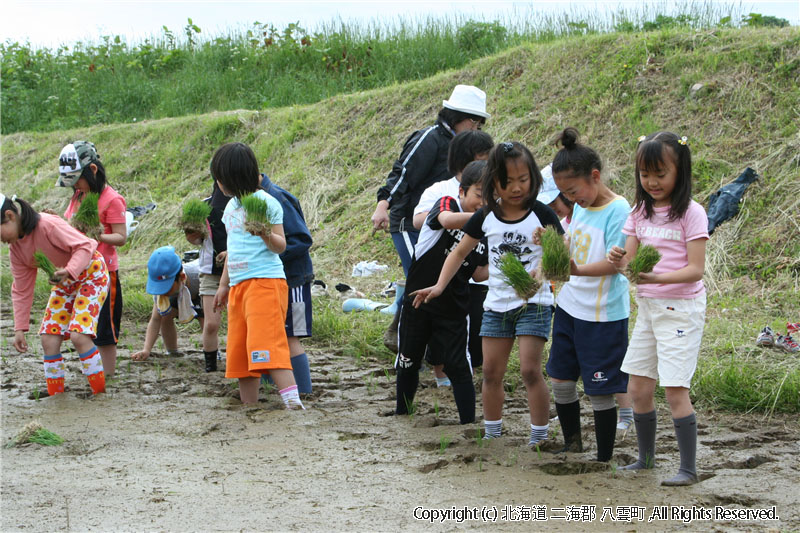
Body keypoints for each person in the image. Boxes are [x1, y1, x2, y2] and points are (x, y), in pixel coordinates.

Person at [413, 142, 563, 446]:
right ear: (494, 182)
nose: (517, 188)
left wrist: (542, 268)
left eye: (524, 180)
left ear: (534, 178)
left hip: (534, 303)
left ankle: (539, 436)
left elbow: (561, 262)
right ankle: (492, 431)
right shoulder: (486, 216)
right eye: (507, 182)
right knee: (491, 371)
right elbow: (458, 253)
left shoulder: (542, 213)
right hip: (497, 305)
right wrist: (440, 286)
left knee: (530, 370)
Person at [608, 132, 708, 486]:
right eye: (644, 174)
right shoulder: (639, 212)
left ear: (680, 171)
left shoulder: (691, 214)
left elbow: (696, 269)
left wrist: (655, 276)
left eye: (660, 174)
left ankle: (688, 469)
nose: (651, 182)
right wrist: (619, 259)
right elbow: (631, 267)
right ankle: (646, 459)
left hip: (681, 308)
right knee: (638, 388)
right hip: (649, 307)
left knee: (675, 389)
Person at [371, 85, 490, 354]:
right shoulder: (430, 139)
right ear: (458, 117)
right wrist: (383, 204)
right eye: (474, 122)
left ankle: (423, 342)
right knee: (423, 274)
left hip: (442, 225)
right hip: (410, 220)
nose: (476, 128)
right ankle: (404, 338)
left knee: (441, 277)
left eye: (480, 124)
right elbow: (403, 172)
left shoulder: (463, 148)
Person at [541, 128, 631, 462]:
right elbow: (572, 240)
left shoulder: (619, 211)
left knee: (600, 389)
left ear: (594, 176)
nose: (570, 198)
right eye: (564, 193)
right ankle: (572, 443)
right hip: (569, 307)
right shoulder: (581, 205)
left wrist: (573, 270)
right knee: (561, 378)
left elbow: (615, 265)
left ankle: (604, 456)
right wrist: (552, 244)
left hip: (602, 315)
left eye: (573, 190)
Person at [211, 142, 303, 409]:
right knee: (239, 352)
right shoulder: (230, 208)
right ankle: (249, 408)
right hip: (239, 287)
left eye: (221, 178)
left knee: (268, 347)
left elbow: (280, 246)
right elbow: (233, 250)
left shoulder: (267, 203)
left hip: (265, 284)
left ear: (234, 178)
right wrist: (223, 285)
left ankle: (294, 406)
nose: (218, 183)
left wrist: (263, 232)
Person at [396, 161, 488, 424]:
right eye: (479, 195)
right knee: (408, 359)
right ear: (462, 192)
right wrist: (490, 217)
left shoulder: (486, 231)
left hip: (454, 308)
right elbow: (447, 221)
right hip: (418, 301)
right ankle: (402, 413)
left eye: (491, 197)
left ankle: (468, 423)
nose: (483, 203)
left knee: (458, 366)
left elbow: (479, 273)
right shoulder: (446, 204)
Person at [2, 194, 109, 396]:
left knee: (79, 335)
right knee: (48, 339)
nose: (1, 240)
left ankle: (99, 393)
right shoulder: (16, 248)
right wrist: (19, 328)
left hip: (91, 274)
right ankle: (55, 396)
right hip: (64, 282)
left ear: (10, 216)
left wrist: (69, 270)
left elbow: (85, 245)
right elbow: (21, 289)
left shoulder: (47, 225)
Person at [58, 141, 127, 378]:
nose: (75, 185)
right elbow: (70, 225)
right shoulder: (78, 196)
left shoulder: (112, 199)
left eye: (78, 179)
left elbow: (121, 237)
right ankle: (92, 369)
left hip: (105, 273)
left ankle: (106, 375)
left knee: (105, 328)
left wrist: (97, 234)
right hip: (79, 271)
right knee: (83, 324)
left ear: (93, 171)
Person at [260, 173, 314, 395]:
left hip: (293, 279)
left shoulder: (277, 198)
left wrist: (268, 255)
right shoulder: (252, 200)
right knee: (265, 334)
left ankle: (303, 392)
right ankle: (268, 387)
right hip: (269, 281)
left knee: (290, 336)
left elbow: (302, 239)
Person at [183, 181, 229, 372]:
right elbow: (196, 240)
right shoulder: (204, 206)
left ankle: (241, 363)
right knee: (211, 323)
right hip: (210, 273)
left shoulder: (244, 204)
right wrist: (191, 232)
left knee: (238, 324)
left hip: (238, 270)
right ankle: (211, 366)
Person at [131, 247, 203, 362]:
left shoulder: (199, 275)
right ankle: (172, 352)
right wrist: (146, 349)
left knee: (205, 318)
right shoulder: (161, 291)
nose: (162, 291)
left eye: (166, 287)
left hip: (199, 292)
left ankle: (213, 352)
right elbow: (155, 320)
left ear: (181, 277)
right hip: (178, 292)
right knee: (165, 315)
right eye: (159, 287)